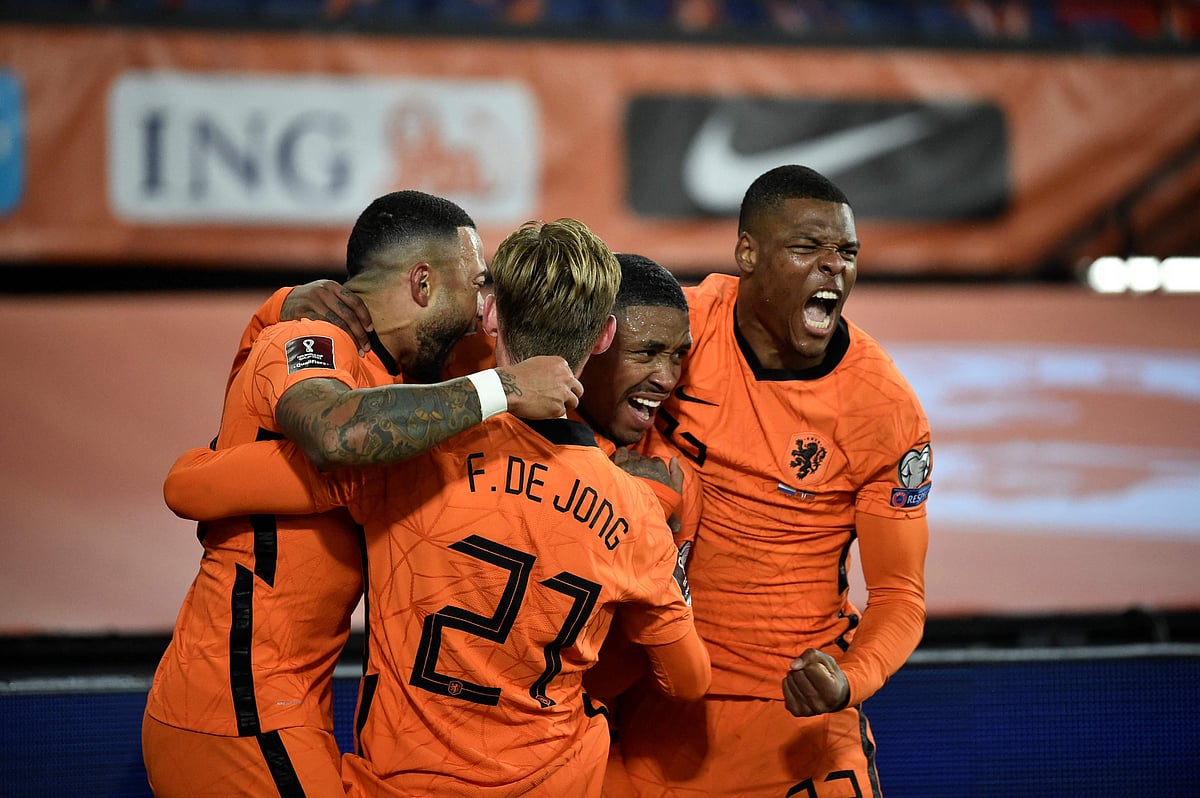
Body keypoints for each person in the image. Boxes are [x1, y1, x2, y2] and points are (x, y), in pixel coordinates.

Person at [164, 218, 712, 797]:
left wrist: (199, 458)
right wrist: (667, 558)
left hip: (403, 779)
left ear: (494, 315)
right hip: (556, 777)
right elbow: (687, 678)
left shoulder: (409, 461)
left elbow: (191, 489)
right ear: (604, 335)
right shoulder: (641, 507)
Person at [614, 165, 932, 796]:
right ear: (747, 254)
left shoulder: (883, 408)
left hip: (796, 726)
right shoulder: (677, 331)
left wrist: (849, 679)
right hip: (654, 705)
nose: (833, 267)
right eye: (806, 248)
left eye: (846, 252)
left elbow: (900, 597)